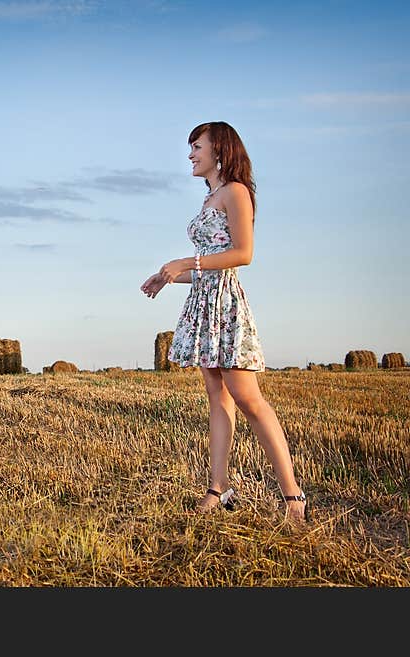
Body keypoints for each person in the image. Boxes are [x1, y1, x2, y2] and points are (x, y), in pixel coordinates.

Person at [140, 121, 307, 523]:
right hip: (204, 302)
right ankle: (218, 489)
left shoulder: (236, 192)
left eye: (197, 146)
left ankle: (294, 497)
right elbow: (205, 268)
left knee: (248, 399)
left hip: (226, 306)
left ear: (219, 149)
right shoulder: (209, 198)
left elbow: (243, 253)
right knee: (218, 399)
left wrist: (187, 261)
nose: (191, 154)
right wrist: (169, 277)